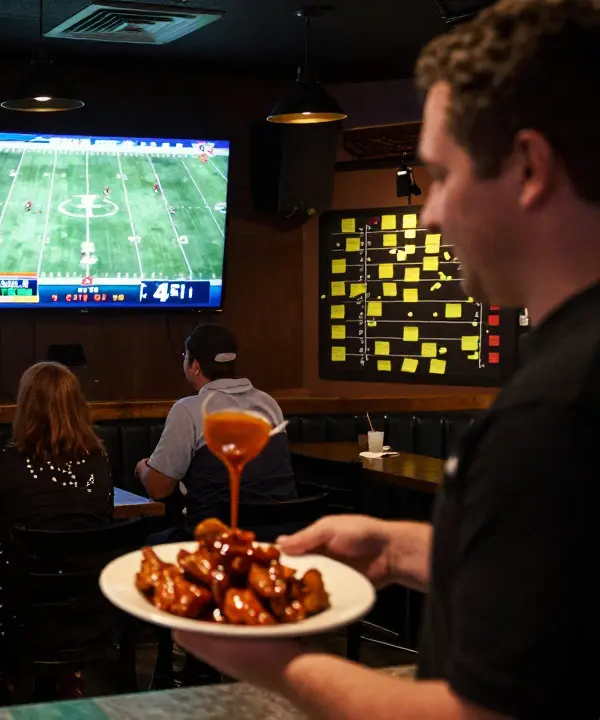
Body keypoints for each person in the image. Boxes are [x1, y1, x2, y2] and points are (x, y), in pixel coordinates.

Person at [174, 3, 600, 718]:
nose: (428, 213)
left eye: (440, 174)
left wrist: (278, 660)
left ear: (528, 167)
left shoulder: (555, 411)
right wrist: (405, 551)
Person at [0, 361, 114, 699]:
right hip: (87, 610)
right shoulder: (100, 462)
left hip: (11, 615)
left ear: (25, 409)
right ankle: (66, 674)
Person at [136, 324, 295, 542]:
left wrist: (142, 468)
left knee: (145, 543)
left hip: (212, 540)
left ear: (195, 366)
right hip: (275, 536)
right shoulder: (268, 404)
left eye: (185, 356)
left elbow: (159, 488)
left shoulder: (189, 410)